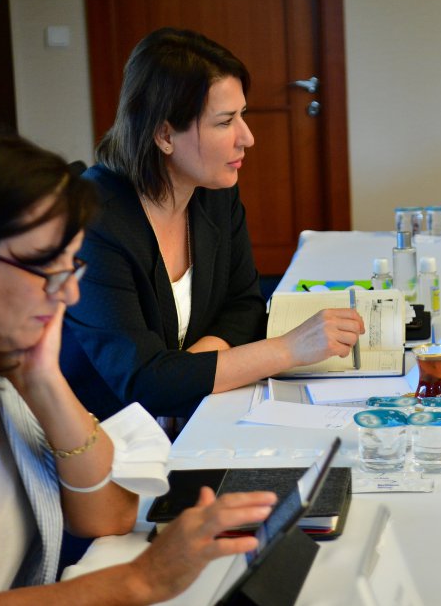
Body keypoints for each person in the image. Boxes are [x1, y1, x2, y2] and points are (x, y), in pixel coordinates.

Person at [0, 130, 276, 604]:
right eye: (46, 269)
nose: (69, 293)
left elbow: (107, 515)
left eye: (72, 267)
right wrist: (139, 580)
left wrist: (43, 378)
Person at [60, 27, 364, 422]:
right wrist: (288, 349)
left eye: (242, 115)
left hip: (188, 414)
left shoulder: (213, 190)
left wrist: (184, 373)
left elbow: (245, 306)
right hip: (108, 434)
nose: (247, 138)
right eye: (225, 122)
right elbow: (141, 383)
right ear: (164, 134)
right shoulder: (95, 221)